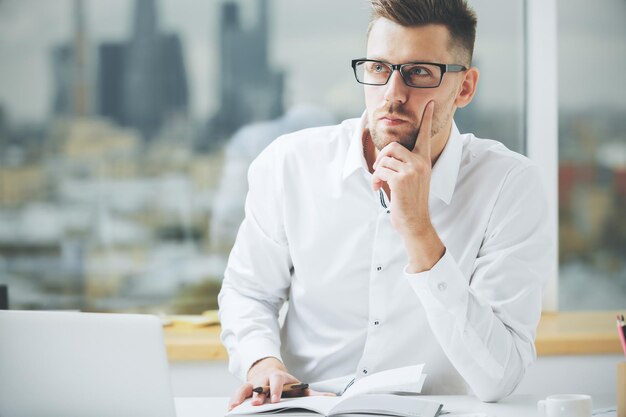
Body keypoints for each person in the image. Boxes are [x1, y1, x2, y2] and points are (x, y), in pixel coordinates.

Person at [219, 0, 554, 410]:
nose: (392, 94)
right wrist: (262, 364)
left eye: (419, 73)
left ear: (464, 88)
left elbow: (498, 376)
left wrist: (419, 232)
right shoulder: (290, 163)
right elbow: (249, 292)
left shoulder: (508, 186)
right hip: (305, 408)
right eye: (379, 68)